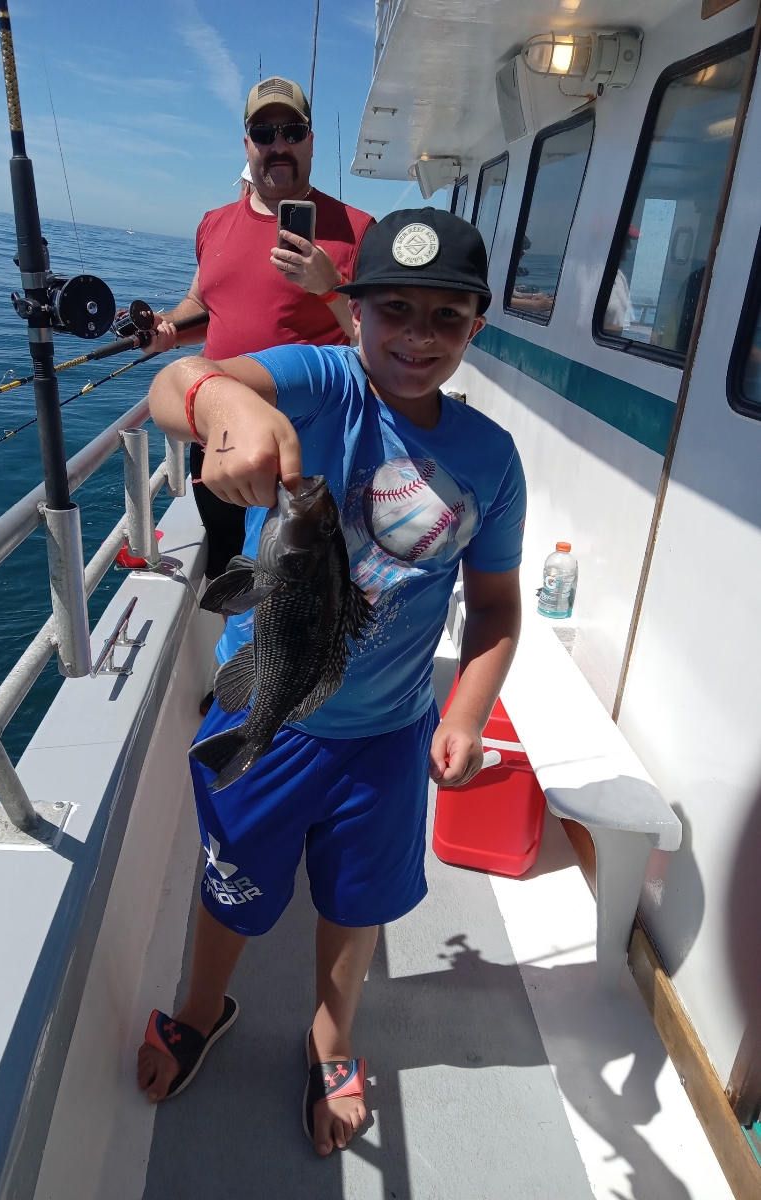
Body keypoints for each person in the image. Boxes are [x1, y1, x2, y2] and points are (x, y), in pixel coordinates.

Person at [138, 208, 526, 1158]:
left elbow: (496, 607)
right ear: (353, 314)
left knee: (357, 904)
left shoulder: (492, 459)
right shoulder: (321, 384)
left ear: (476, 328)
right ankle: (203, 1004)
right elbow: (174, 383)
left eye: (447, 317)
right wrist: (225, 408)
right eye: (394, 309)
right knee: (232, 881)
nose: (418, 336)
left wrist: (466, 713)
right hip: (270, 716)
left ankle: (331, 1035)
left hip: (388, 736)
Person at [148, 77, 374, 580]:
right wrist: (168, 328)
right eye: (264, 133)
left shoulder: (358, 229)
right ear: (247, 143)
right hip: (222, 444)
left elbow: (373, 342)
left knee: (306, 595)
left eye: (292, 131)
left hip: (307, 462)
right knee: (232, 578)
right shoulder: (213, 223)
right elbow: (203, 305)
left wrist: (329, 287)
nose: (278, 145)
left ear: (310, 141)